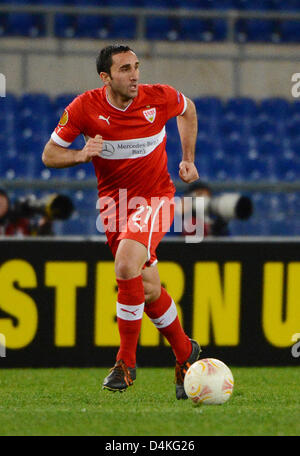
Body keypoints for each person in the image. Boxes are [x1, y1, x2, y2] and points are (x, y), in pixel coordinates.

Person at [42, 44, 201, 399]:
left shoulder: (157, 98)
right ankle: (185, 352)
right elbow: (49, 155)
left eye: (137, 67)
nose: (135, 75)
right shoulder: (84, 108)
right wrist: (81, 154)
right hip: (116, 210)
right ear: (106, 77)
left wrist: (188, 158)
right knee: (147, 289)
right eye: (126, 69)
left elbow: (188, 110)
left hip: (157, 198)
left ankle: (125, 363)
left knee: (126, 263)